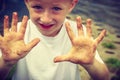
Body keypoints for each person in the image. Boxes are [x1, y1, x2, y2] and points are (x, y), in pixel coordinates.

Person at [0, 0, 109, 80]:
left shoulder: (78, 34)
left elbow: (104, 77)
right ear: (27, 2)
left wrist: (91, 64)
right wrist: (6, 62)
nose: (45, 19)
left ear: (71, 4)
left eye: (56, 8)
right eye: (37, 7)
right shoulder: (18, 33)